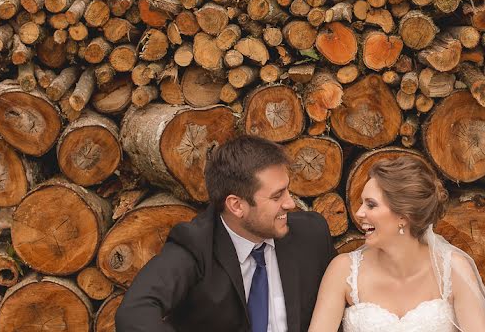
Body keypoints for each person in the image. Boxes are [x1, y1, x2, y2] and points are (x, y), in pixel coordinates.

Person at [116, 135, 335, 332]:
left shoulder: (311, 235)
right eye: (277, 196)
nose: (290, 203)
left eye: (287, 189)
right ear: (236, 205)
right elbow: (134, 312)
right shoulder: (195, 245)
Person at [308, 156, 485, 332]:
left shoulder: (453, 270)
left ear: (403, 215)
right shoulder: (343, 270)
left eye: (371, 204)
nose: (359, 213)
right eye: (362, 203)